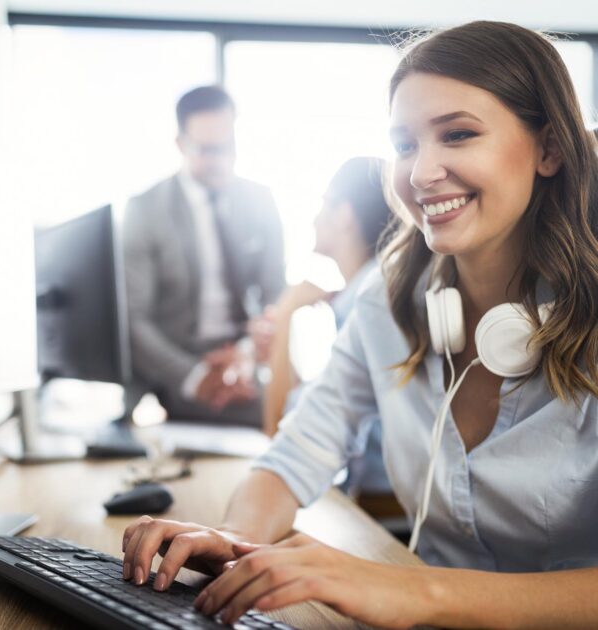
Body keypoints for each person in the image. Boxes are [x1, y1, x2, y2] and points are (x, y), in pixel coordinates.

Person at [119, 21, 598, 629]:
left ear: (550, 149)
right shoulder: (387, 299)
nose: (422, 173)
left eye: (457, 134)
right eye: (404, 144)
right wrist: (234, 541)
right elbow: (294, 454)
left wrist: (416, 592)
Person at [123, 86, 285, 427]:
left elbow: (275, 295)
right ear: (181, 145)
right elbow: (133, 319)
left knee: (286, 410)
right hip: (177, 363)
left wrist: (244, 355)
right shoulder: (145, 210)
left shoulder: (260, 200)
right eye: (208, 150)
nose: (221, 161)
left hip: (242, 356)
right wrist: (196, 376)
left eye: (229, 147)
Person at [261, 157, 399, 518]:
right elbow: (309, 407)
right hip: (374, 506)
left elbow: (278, 429)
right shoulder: (369, 291)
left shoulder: (366, 301)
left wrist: (286, 314)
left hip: (382, 514)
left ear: (345, 214)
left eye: (324, 203)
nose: (313, 218)